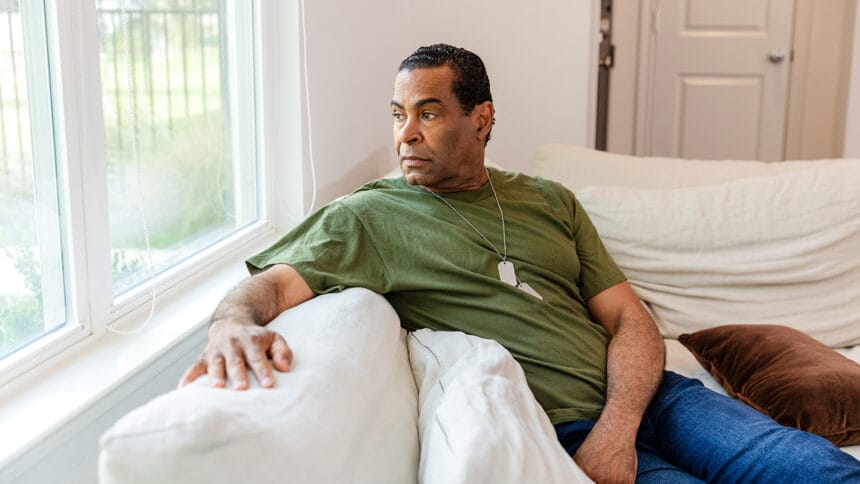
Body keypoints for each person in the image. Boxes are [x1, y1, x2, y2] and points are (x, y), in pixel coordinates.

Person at [180, 44, 860, 482]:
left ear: (481, 119)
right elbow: (269, 286)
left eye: (427, 112)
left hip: (659, 399)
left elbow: (629, 318)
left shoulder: (547, 200)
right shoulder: (369, 217)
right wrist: (226, 327)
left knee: (816, 470)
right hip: (561, 428)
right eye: (396, 115)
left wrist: (621, 423)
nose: (405, 134)